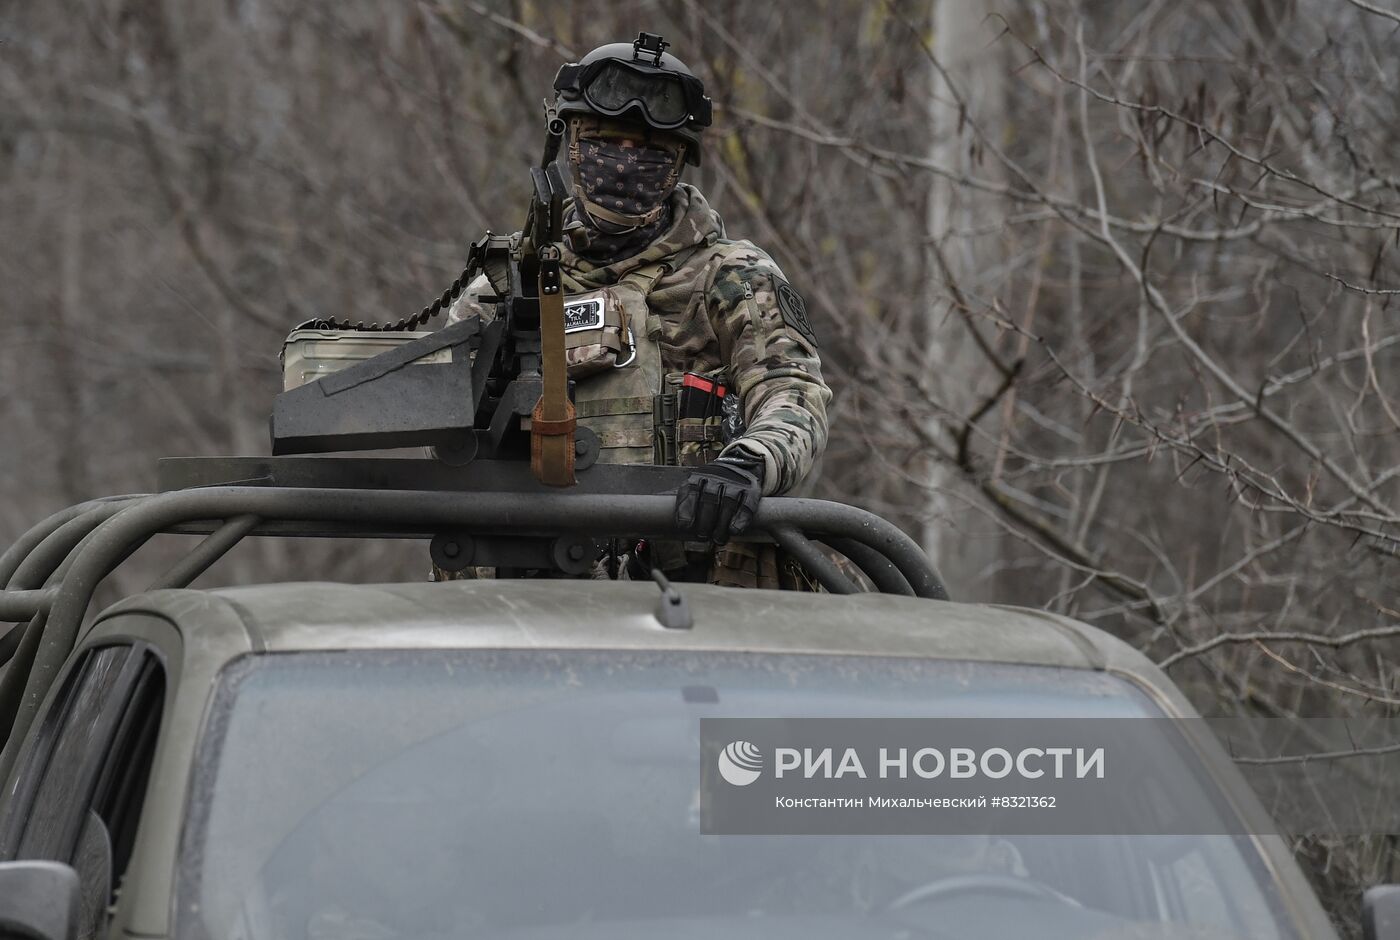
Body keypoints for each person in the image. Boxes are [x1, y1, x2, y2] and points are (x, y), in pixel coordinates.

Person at [448, 32, 831, 588]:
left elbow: (794, 394)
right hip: (530, 591)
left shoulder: (730, 276)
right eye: (606, 143)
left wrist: (748, 463)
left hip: (700, 593)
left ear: (679, 163)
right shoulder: (503, 287)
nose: (626, 165)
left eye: (650, 152)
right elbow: (443, 428)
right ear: (569, 144)